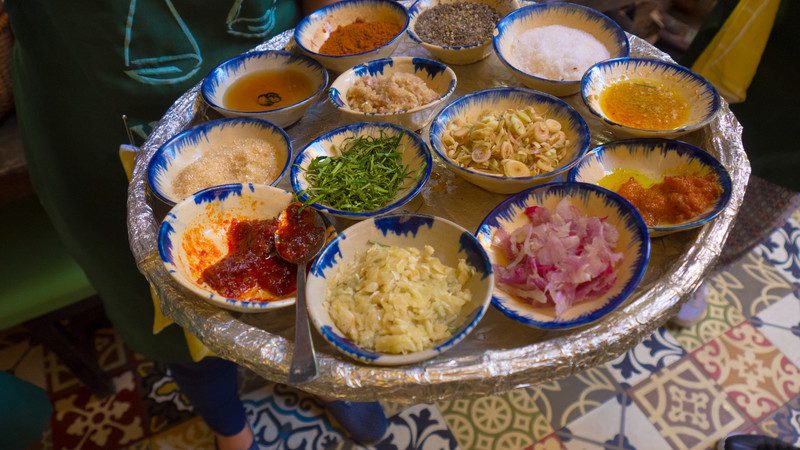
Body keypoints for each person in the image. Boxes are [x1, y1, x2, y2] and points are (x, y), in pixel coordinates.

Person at [6, 1, 388, 449]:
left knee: (320, 267)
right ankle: (228, 427)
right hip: (99, 102)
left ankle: (328, 382)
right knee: (173, 306)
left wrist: (331, 37)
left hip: (280, 82)